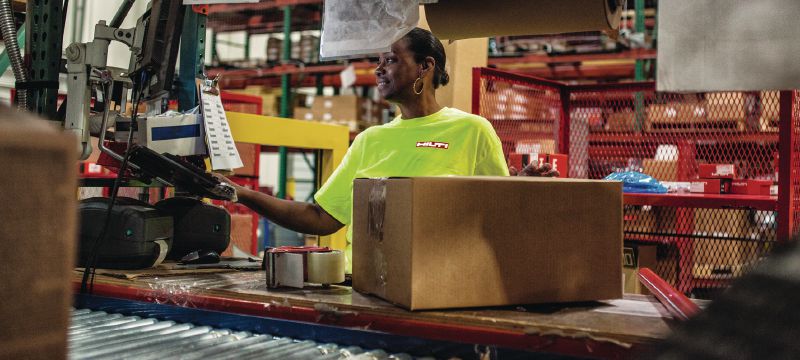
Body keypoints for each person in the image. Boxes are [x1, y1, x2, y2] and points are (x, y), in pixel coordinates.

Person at [217, 28, 557, 272]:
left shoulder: (472, 130)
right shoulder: (370, 140)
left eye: (391, 60)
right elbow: (321, 217)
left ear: (425, 67)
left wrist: (521, 188)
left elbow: (498, 212)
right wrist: (239, 193)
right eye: (379, 61)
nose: (378, 69)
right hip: (362, 285)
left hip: (435, 284)